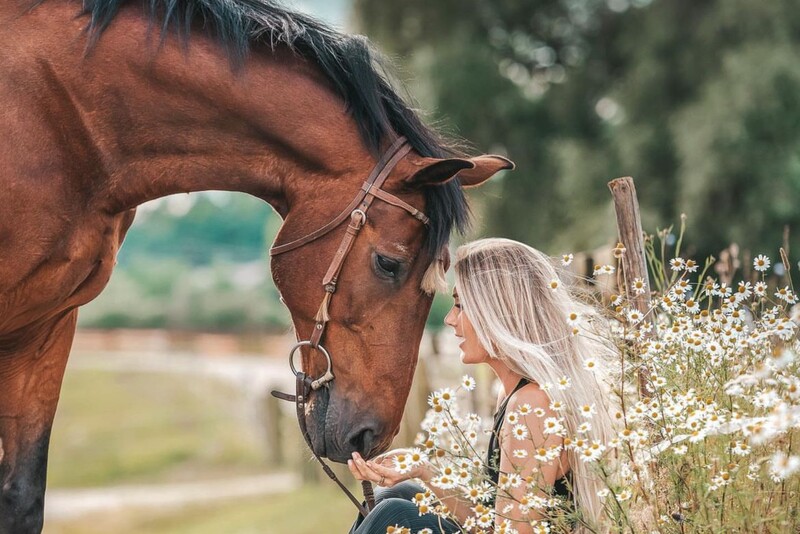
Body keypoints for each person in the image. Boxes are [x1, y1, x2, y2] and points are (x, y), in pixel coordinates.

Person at [348, 238, 618, 533]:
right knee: (396, 495)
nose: (450, 319)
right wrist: (424, 468)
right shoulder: (514, 394)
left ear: (497, 311)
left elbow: (515, 532)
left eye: (461, 305)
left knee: (394, 513)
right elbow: (495, 522)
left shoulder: (532, 404)